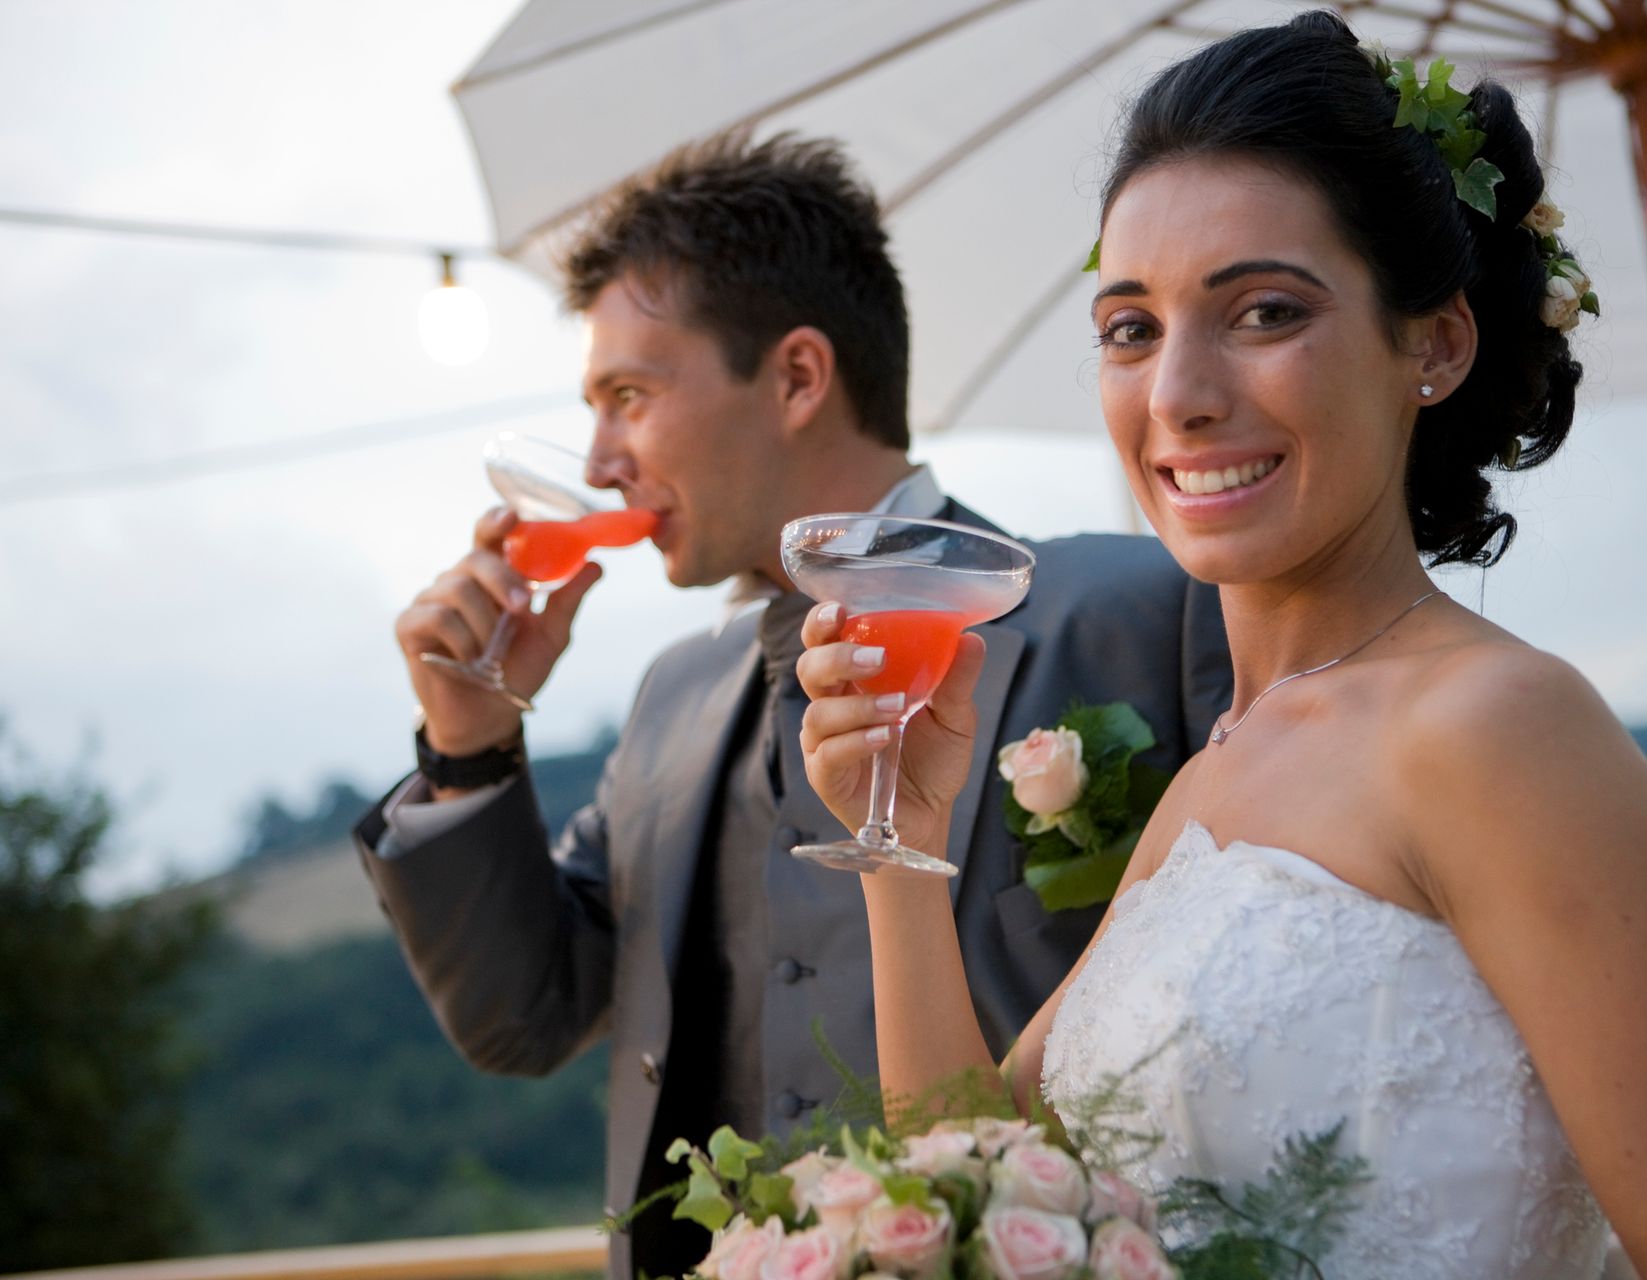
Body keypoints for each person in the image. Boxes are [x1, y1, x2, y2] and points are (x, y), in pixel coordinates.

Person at [793, 16, 1647, 1278]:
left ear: (1436, 342)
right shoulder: (1217, 768)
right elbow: (970, 1188)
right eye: (1131, 327)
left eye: (1261, 311)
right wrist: (906, 853)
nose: (1179, 392)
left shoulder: (1497, 731)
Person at [352, 131, 1228, 1278]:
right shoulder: (672, 696)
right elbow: (525, 1016)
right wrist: (469, 747)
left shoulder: (1142, 611)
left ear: (800, 377)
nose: (602, 459)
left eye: (629, 396)